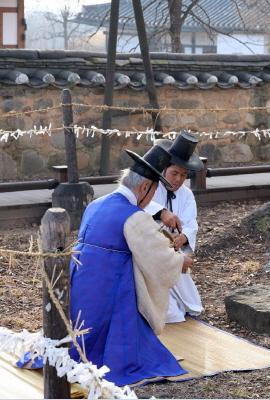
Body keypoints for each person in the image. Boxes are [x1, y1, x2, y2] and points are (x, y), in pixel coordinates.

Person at [66, 145, 194, 386]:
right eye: (154, 191)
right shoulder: (134, 216)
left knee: (81, 335)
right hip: (111, 290)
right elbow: (159, 259)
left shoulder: (96, 204)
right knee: (127, 351)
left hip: (81, 287)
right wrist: (181, 261)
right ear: (145, 187)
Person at [145, 132, 204, 323]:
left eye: (184, 175)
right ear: (164, 170)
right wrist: (162, 212)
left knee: (193, 306)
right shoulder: (151, 188)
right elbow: (141, 209)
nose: (178, 179)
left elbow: (191, 222)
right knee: (172, 315)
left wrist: (184, 237)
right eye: (174, 173)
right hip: (153, 256)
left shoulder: (186, 195)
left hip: (175, 253)